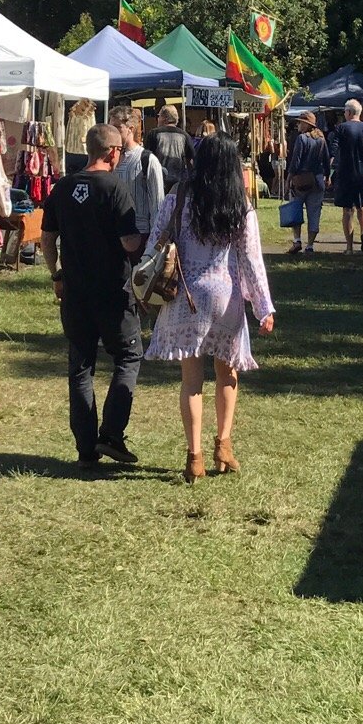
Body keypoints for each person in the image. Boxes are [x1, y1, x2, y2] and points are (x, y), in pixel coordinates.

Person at [143, 136, 276, 483]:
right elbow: (251, 260)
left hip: (185, 295)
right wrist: (263, 307)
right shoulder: (239, 204)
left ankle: (194, 457)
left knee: (191, 382)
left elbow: (154, 242)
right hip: (226, 296)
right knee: (227, 375)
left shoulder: (179, 197)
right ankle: (224, 445)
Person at [43, 123, 145, 470]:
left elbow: (47, 237)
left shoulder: (62, 186)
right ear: (112, 152)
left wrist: (56, 272)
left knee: (81, 367)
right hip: (113, 294)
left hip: (75, 292)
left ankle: (86, 449)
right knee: (128, 358)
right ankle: (111, 435)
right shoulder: (115, 188)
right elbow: (130, 243)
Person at [328, 98, 363, 252]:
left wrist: (328, 172)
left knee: (347, 210)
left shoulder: (341, 129)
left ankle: (349, 247)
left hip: (346, 174)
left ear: (349, 112)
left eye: (345, 111)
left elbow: (333, 151)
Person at [112, 106, 165, 240]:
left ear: (130, 129)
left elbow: (157, 204)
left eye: (117, 127)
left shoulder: (147, 160)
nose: (111, 132)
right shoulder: (109, 159)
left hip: (139, 234)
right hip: (113, 233)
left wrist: (154, 241)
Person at [282, 112, 329, 253]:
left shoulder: (302, 139)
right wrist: (328, 176)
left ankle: (297, 240)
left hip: (300, 181)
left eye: (300, 122)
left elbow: (295, 161)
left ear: (307, 125)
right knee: (314, 213)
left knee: (295, 210)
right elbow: (326, 160)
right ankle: (310, 245)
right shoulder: (321, 139)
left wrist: (289, 178)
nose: (298, 125)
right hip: (317, 180)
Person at [144, 104, 193, 192]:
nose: (157, 119)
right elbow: (191, 159)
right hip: (178, 183)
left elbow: (147, 157)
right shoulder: (185, 135)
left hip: (158, 180)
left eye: (158, 116)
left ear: (164, 118)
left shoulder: (154, 134)